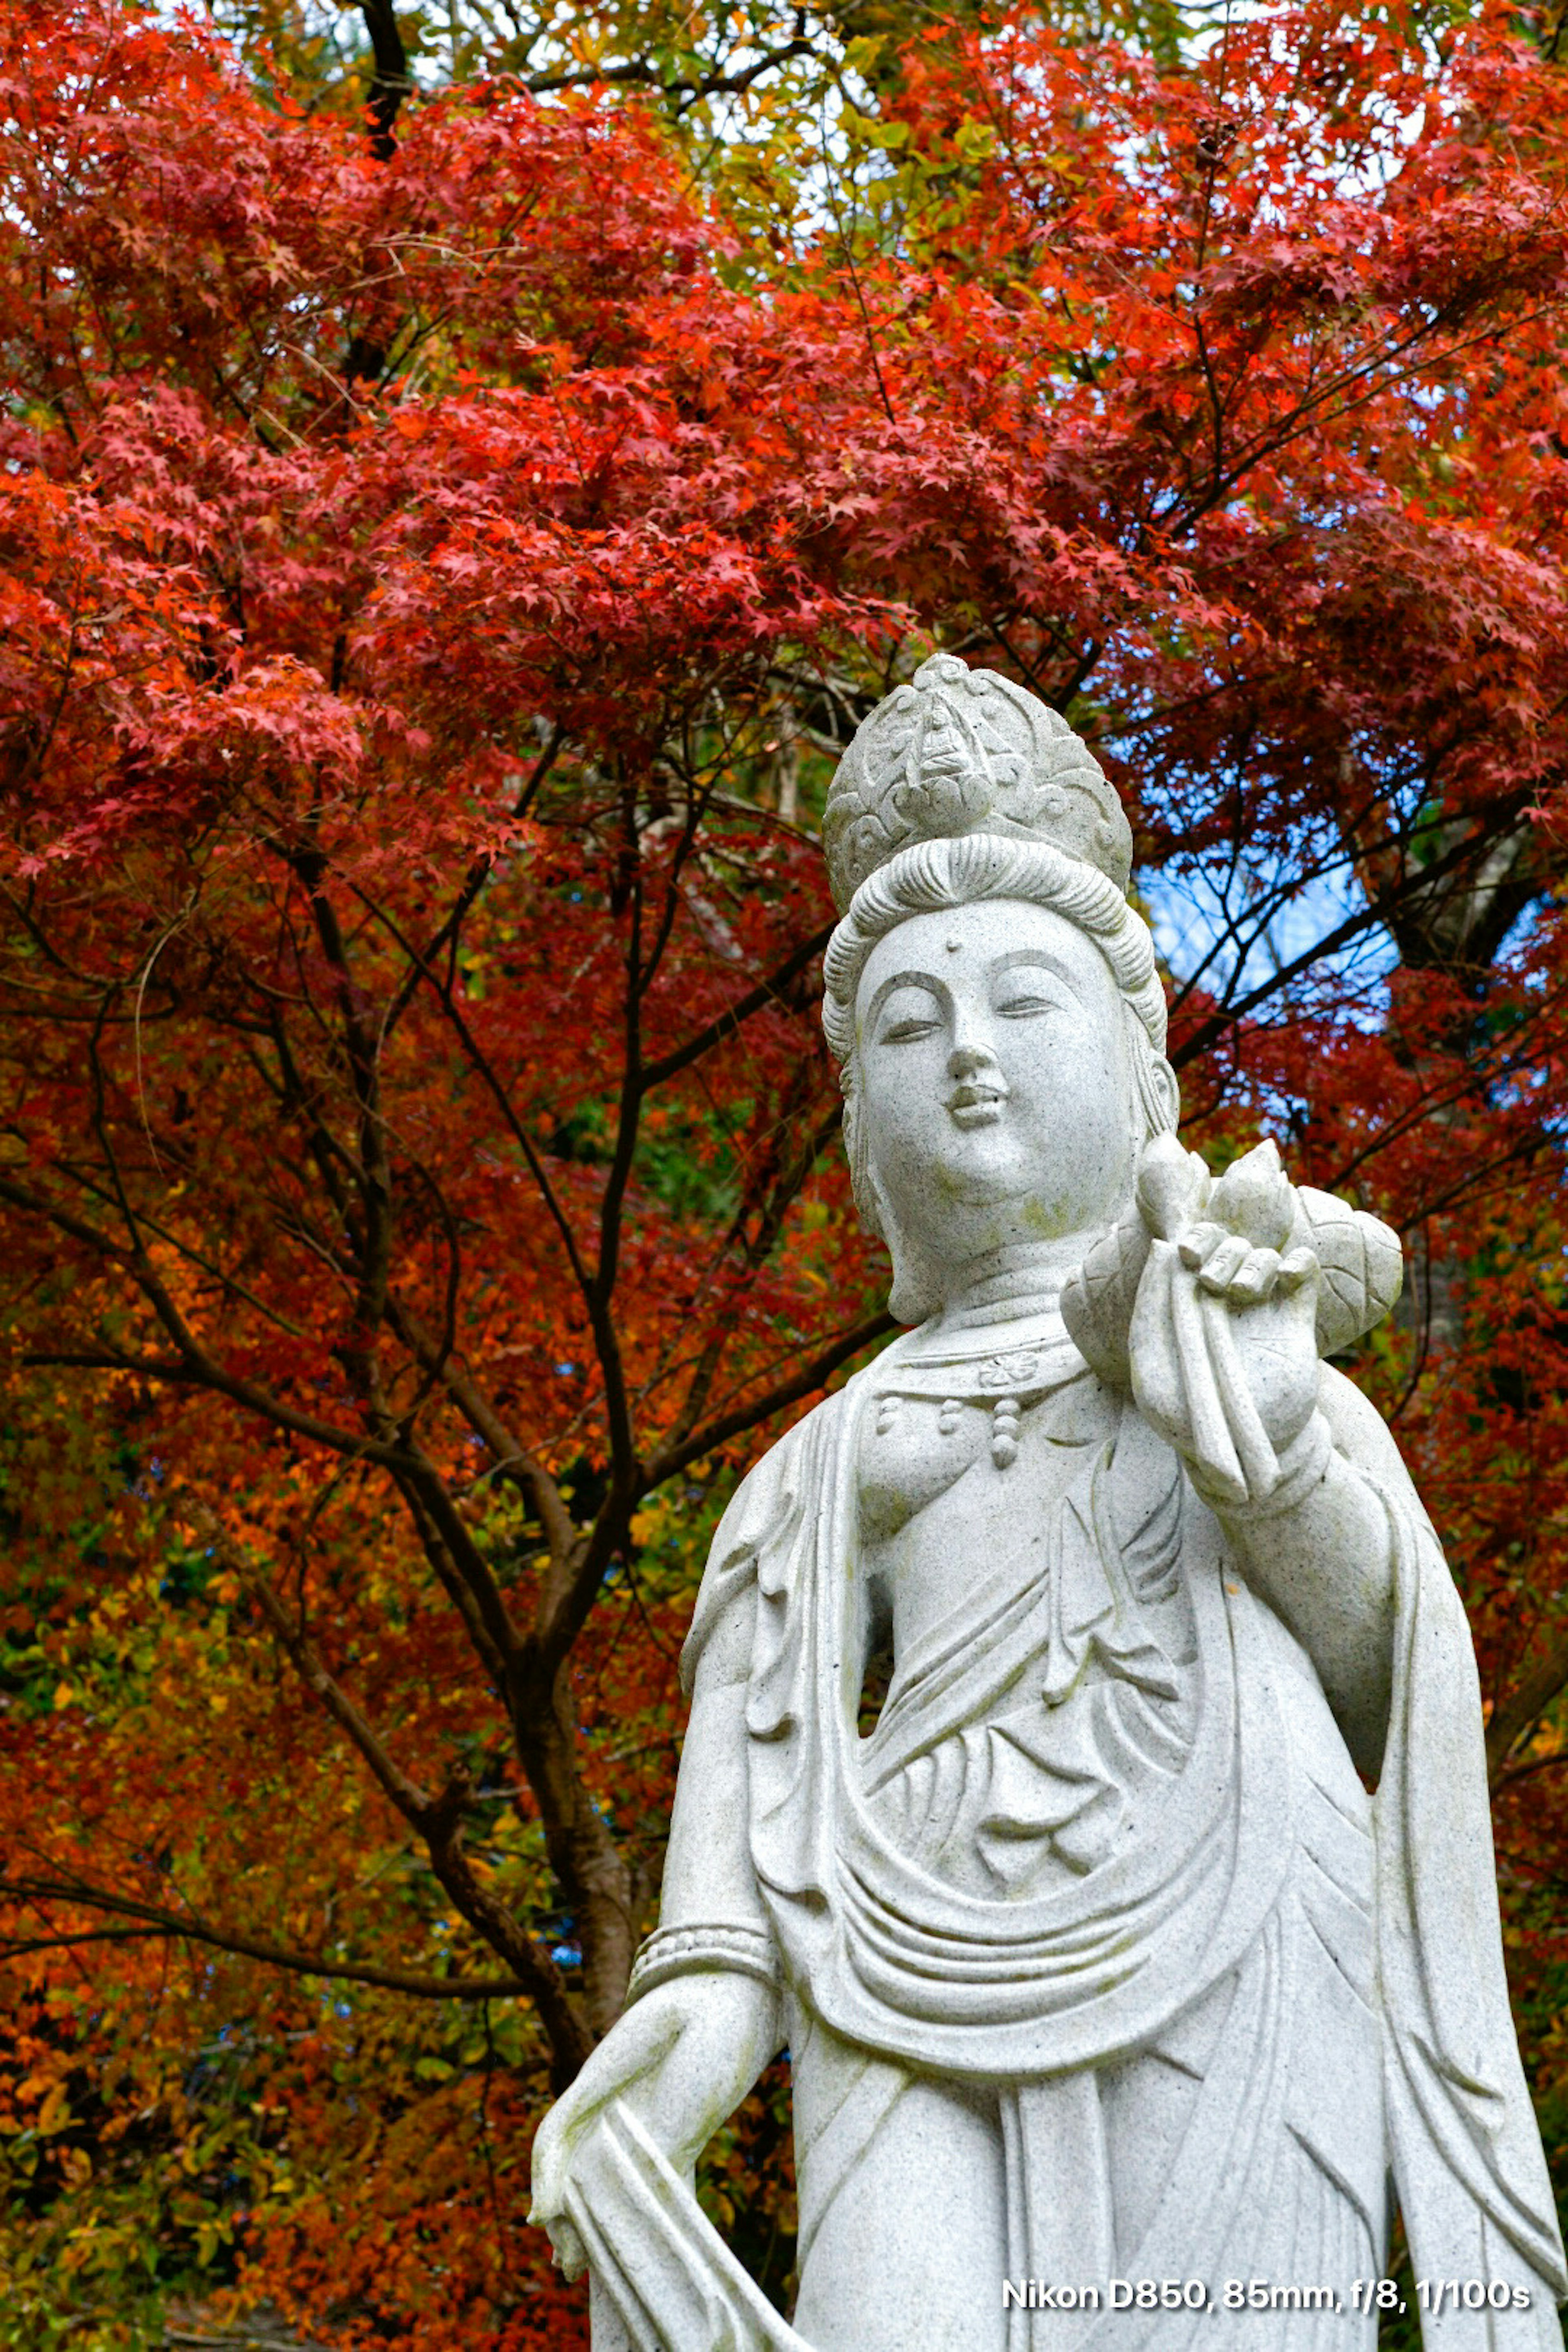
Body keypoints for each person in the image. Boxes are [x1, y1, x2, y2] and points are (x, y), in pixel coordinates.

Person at [531, 657, 1567, 2350]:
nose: (969, 1060)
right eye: (911, 1025)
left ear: (1144, 1077)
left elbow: (1394, 1680)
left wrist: (1268, 1460)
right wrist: (684, 2036)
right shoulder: (824, 1462)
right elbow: (740, 1814)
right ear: (857, 1120)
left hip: (1241, 1896)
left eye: (1023, 1005)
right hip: (895, 1956)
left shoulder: (1239, 1344)